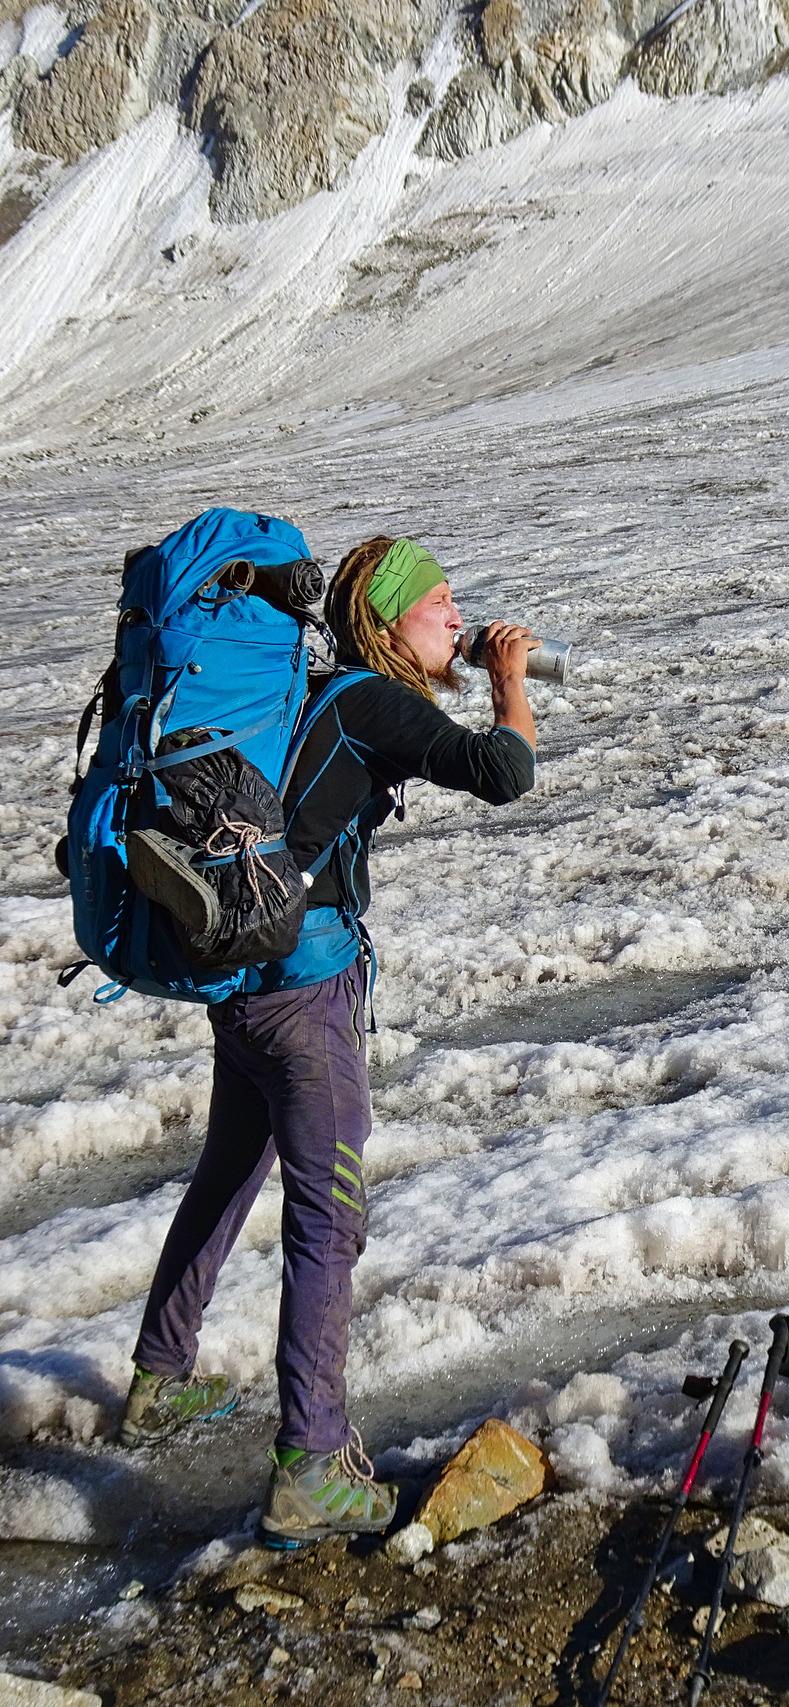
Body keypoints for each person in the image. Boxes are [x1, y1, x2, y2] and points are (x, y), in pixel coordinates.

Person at [119, 536, 537, 1547]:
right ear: (389, 621)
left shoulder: (313, 691)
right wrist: (510, 683)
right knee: (329, 1216)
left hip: (245, 978)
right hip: (302, 993)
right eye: (438, 602)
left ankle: (159, 1380)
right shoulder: (370, 702)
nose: (456, 616)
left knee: (230, 1169)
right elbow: (502, 771)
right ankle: (313, 1464)